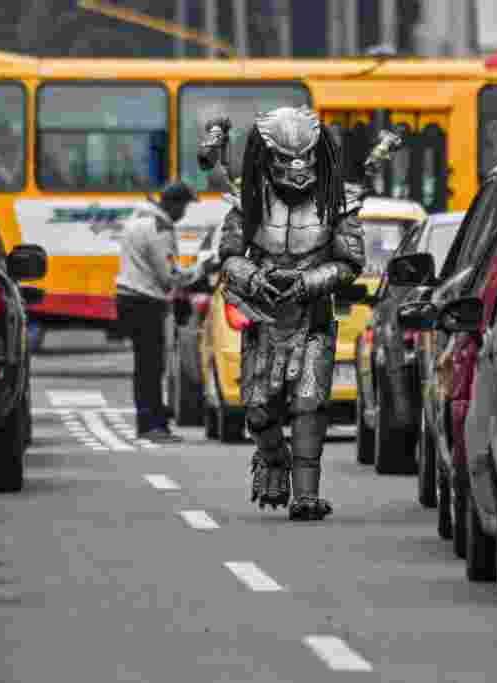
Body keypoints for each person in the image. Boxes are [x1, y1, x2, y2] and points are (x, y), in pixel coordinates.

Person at [213, 107, 366, 521]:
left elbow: (352, 263)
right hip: (262, 316)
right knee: (259, 410)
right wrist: (252, 276)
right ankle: (273, 461)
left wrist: (309, 282)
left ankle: (306, 494)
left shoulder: (339, 200)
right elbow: (226, 257)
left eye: (304, 159)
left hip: (311, 314)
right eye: (284, 160)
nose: (296, 171)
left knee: (308, 404)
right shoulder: (247, 198)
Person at [115, 182, 199, 443]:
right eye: (184, 207)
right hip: (145, 302)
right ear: (173, 204)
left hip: (128, 297)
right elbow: (169, 276)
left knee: (144, 365)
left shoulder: (138, 218)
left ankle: (149, 421)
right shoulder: (159, 228)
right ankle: (151, 425)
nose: (184, 213)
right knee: (152, 367)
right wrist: (200, 272)